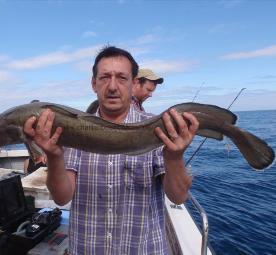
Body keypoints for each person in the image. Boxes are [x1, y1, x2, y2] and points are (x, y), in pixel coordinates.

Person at [24, 46, 199, 254]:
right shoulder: (72, 129)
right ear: (94, 84)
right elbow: (62, 197)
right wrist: (54, 156)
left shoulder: (157, 129)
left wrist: (174, 157)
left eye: (122, 78)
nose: (113, 86)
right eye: (105, 77)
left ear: (134, 84)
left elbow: (178, 197)